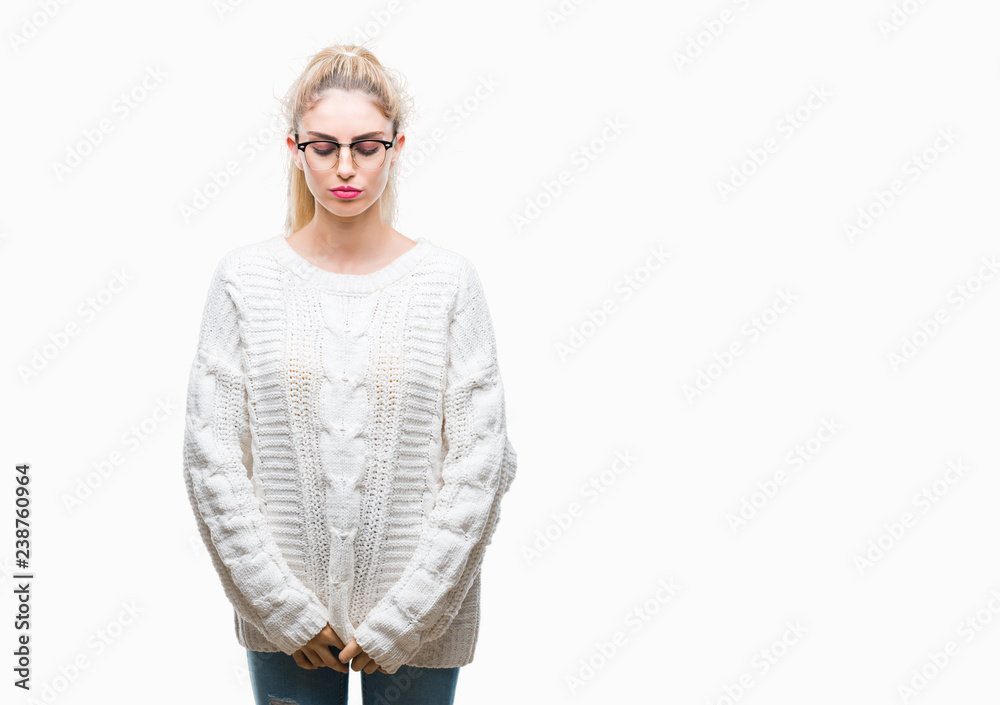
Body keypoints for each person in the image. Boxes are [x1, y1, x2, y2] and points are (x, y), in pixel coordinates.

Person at [181, 43, 518, 705]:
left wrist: (406, 617)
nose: (345, 167)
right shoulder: (244, 279)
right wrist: (285, 612)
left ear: (395, 147)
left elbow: (480, 463)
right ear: (294, 147)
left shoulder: (448, 282)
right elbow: (211, 458)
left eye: (366, 146)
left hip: (424, 625)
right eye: (324, 146)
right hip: (288, 634)